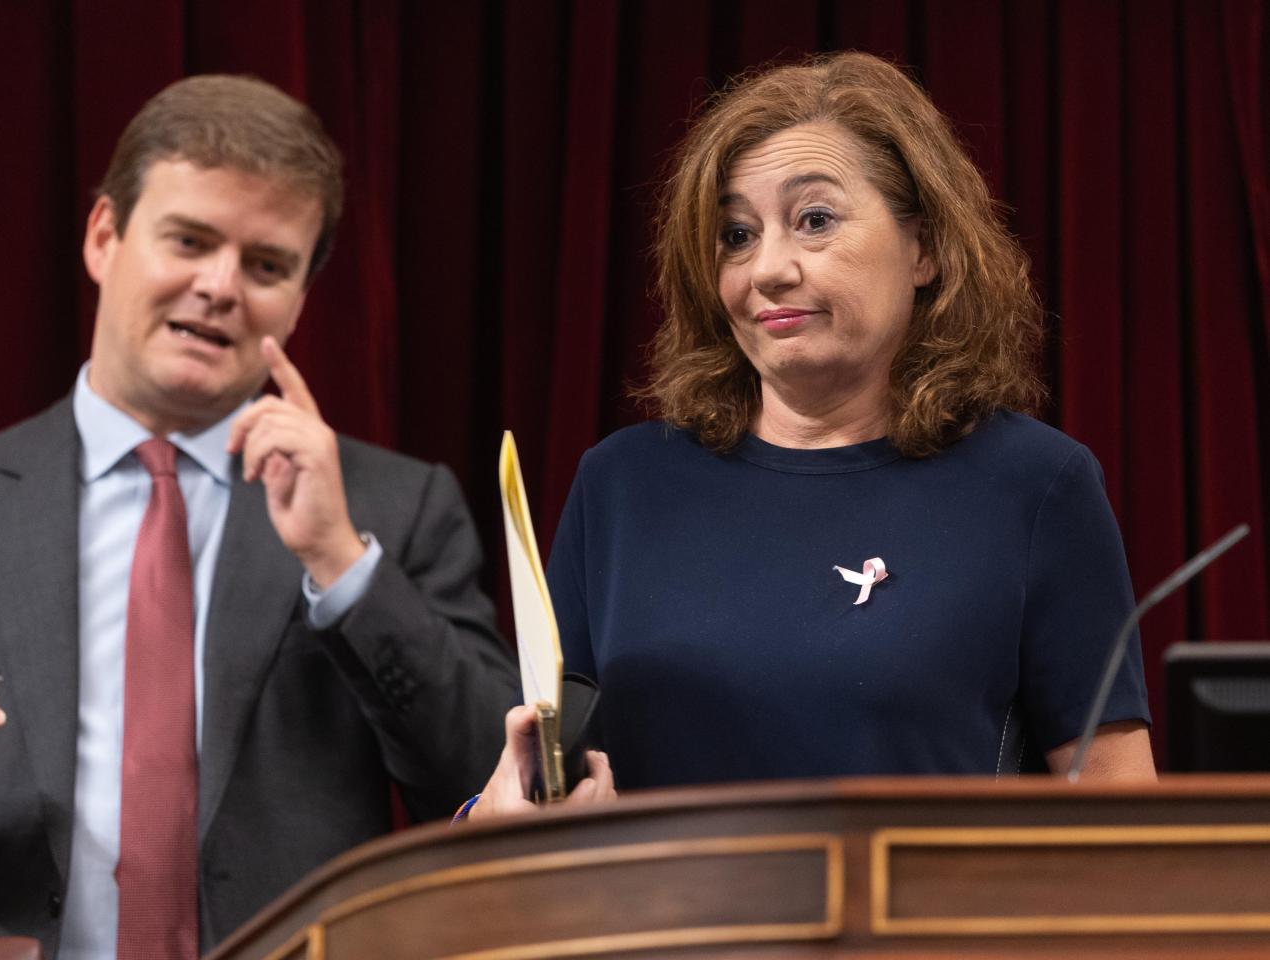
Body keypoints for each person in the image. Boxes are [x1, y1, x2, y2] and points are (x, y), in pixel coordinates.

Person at [0, 75, 517, 957]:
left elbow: (492, 796)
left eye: (267, 265)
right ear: (104, 237)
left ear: (301, 299)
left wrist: (342, 566)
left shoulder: (388, 508)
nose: (221, 286)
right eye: (189, 241)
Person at [473, 52, 1153, 819]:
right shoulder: (622, 485)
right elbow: (536, 774)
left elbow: (1120, 835)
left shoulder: (1037, 486)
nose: (767, 269)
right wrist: (502, 816)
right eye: (735, 234)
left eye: (815, 220)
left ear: (924, 248)